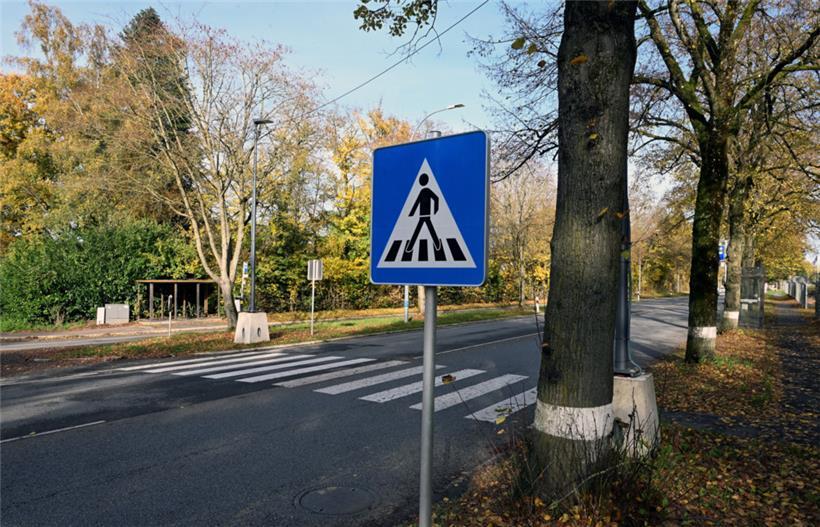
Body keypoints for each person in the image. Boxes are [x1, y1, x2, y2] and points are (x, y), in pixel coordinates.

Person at [404, 173, 442, 253]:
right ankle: (437, 245)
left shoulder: (424, 191)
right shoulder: (425, 191)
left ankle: (409, 247)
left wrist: (436, 210)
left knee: (418, 231)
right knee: (428, 230)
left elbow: (417, 203)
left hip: (423, 215)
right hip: (424, 215)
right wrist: (435, 209)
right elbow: (418, 202)